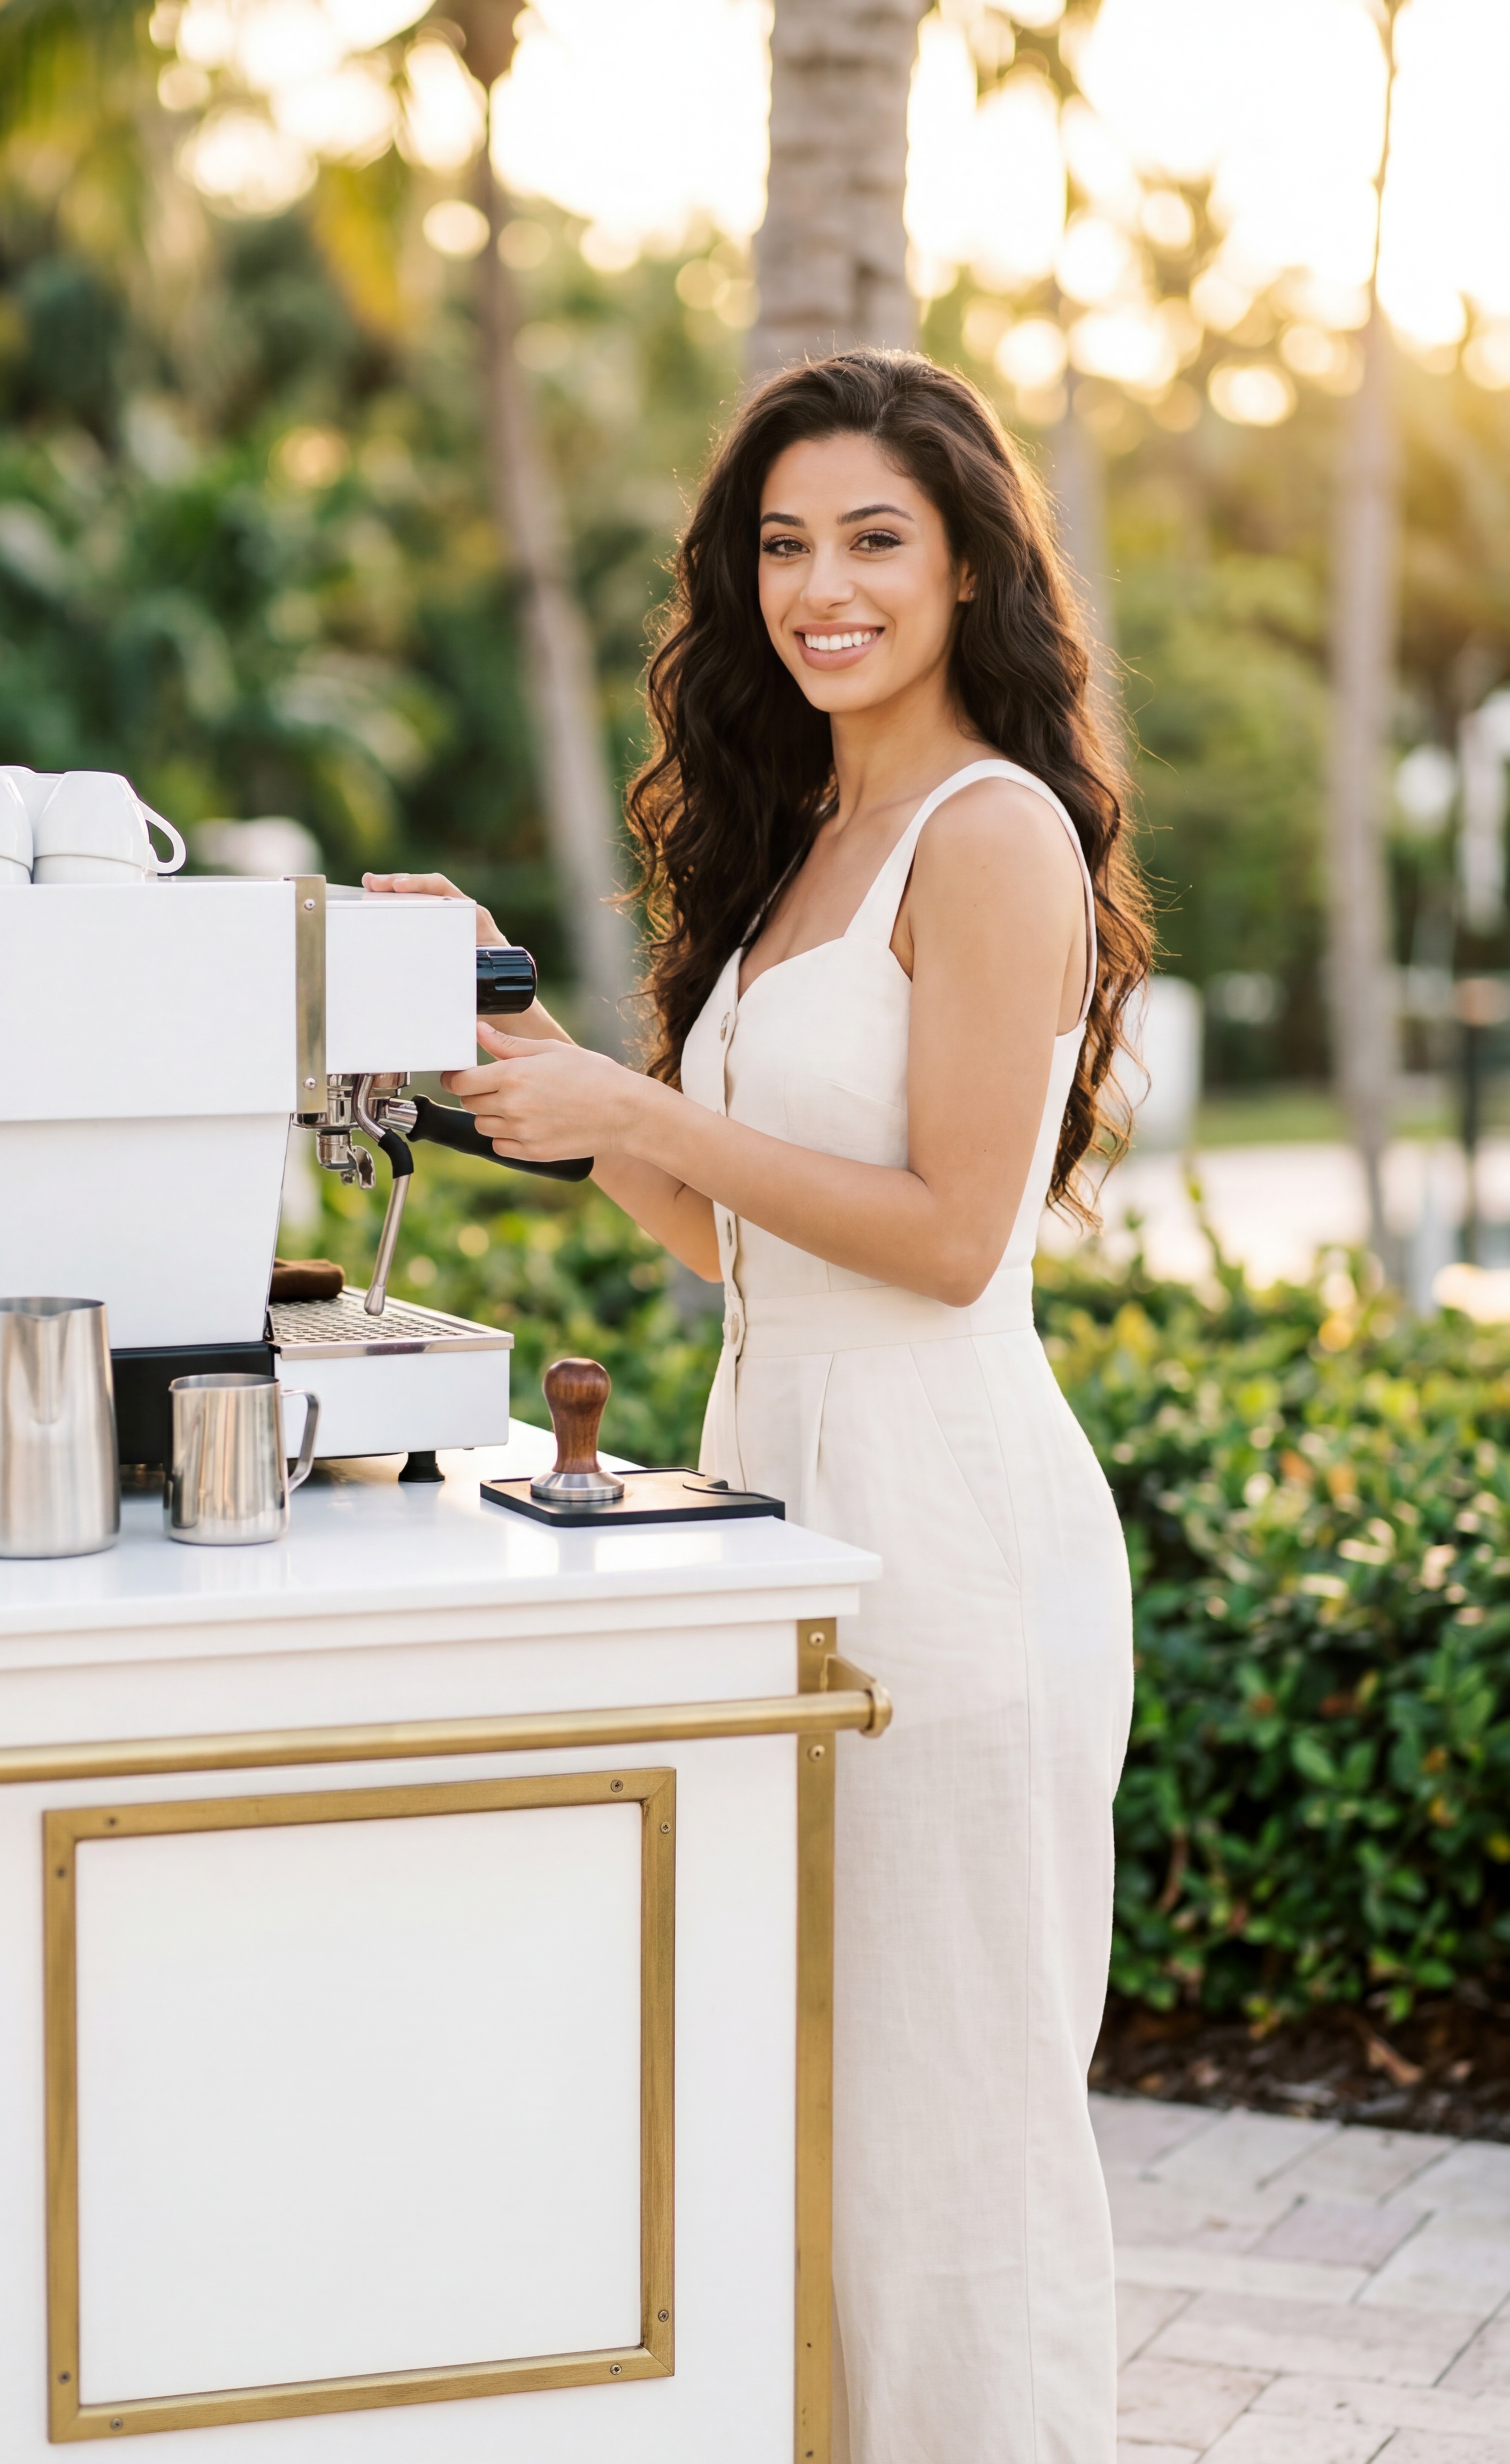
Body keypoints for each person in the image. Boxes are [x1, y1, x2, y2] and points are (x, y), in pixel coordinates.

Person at [366, 348, 1145, 2463]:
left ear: (971, 567)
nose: (823, 589)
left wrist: (631, 1103)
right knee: (807, 2131)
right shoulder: (812, 837)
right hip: (778, 1504)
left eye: (876, 540)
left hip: (950, 1535)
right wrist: (511, 1022)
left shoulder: (991, 836)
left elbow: (953, 1237)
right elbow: (731, 1240)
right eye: (784, 545)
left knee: (954, 2153)